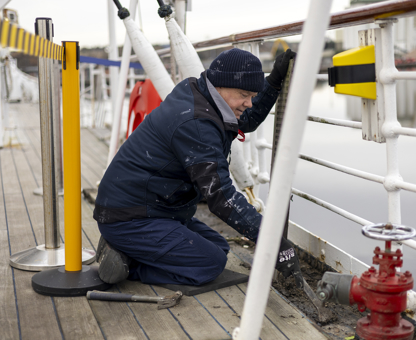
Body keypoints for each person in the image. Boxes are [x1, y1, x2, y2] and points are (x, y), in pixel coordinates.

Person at [93, 48, 303, 288]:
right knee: (208, 264)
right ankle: (129, 263)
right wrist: (273, 240)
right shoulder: (196, 123)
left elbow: (247, 118)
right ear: (221, 85)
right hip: (128, 216)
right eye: (244, 94)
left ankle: (126, 248)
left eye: (252, 95)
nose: (249, 102)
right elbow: (221, 197)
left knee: (219, 247)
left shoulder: (203, 94)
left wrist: (273, 81)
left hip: (154, 208)